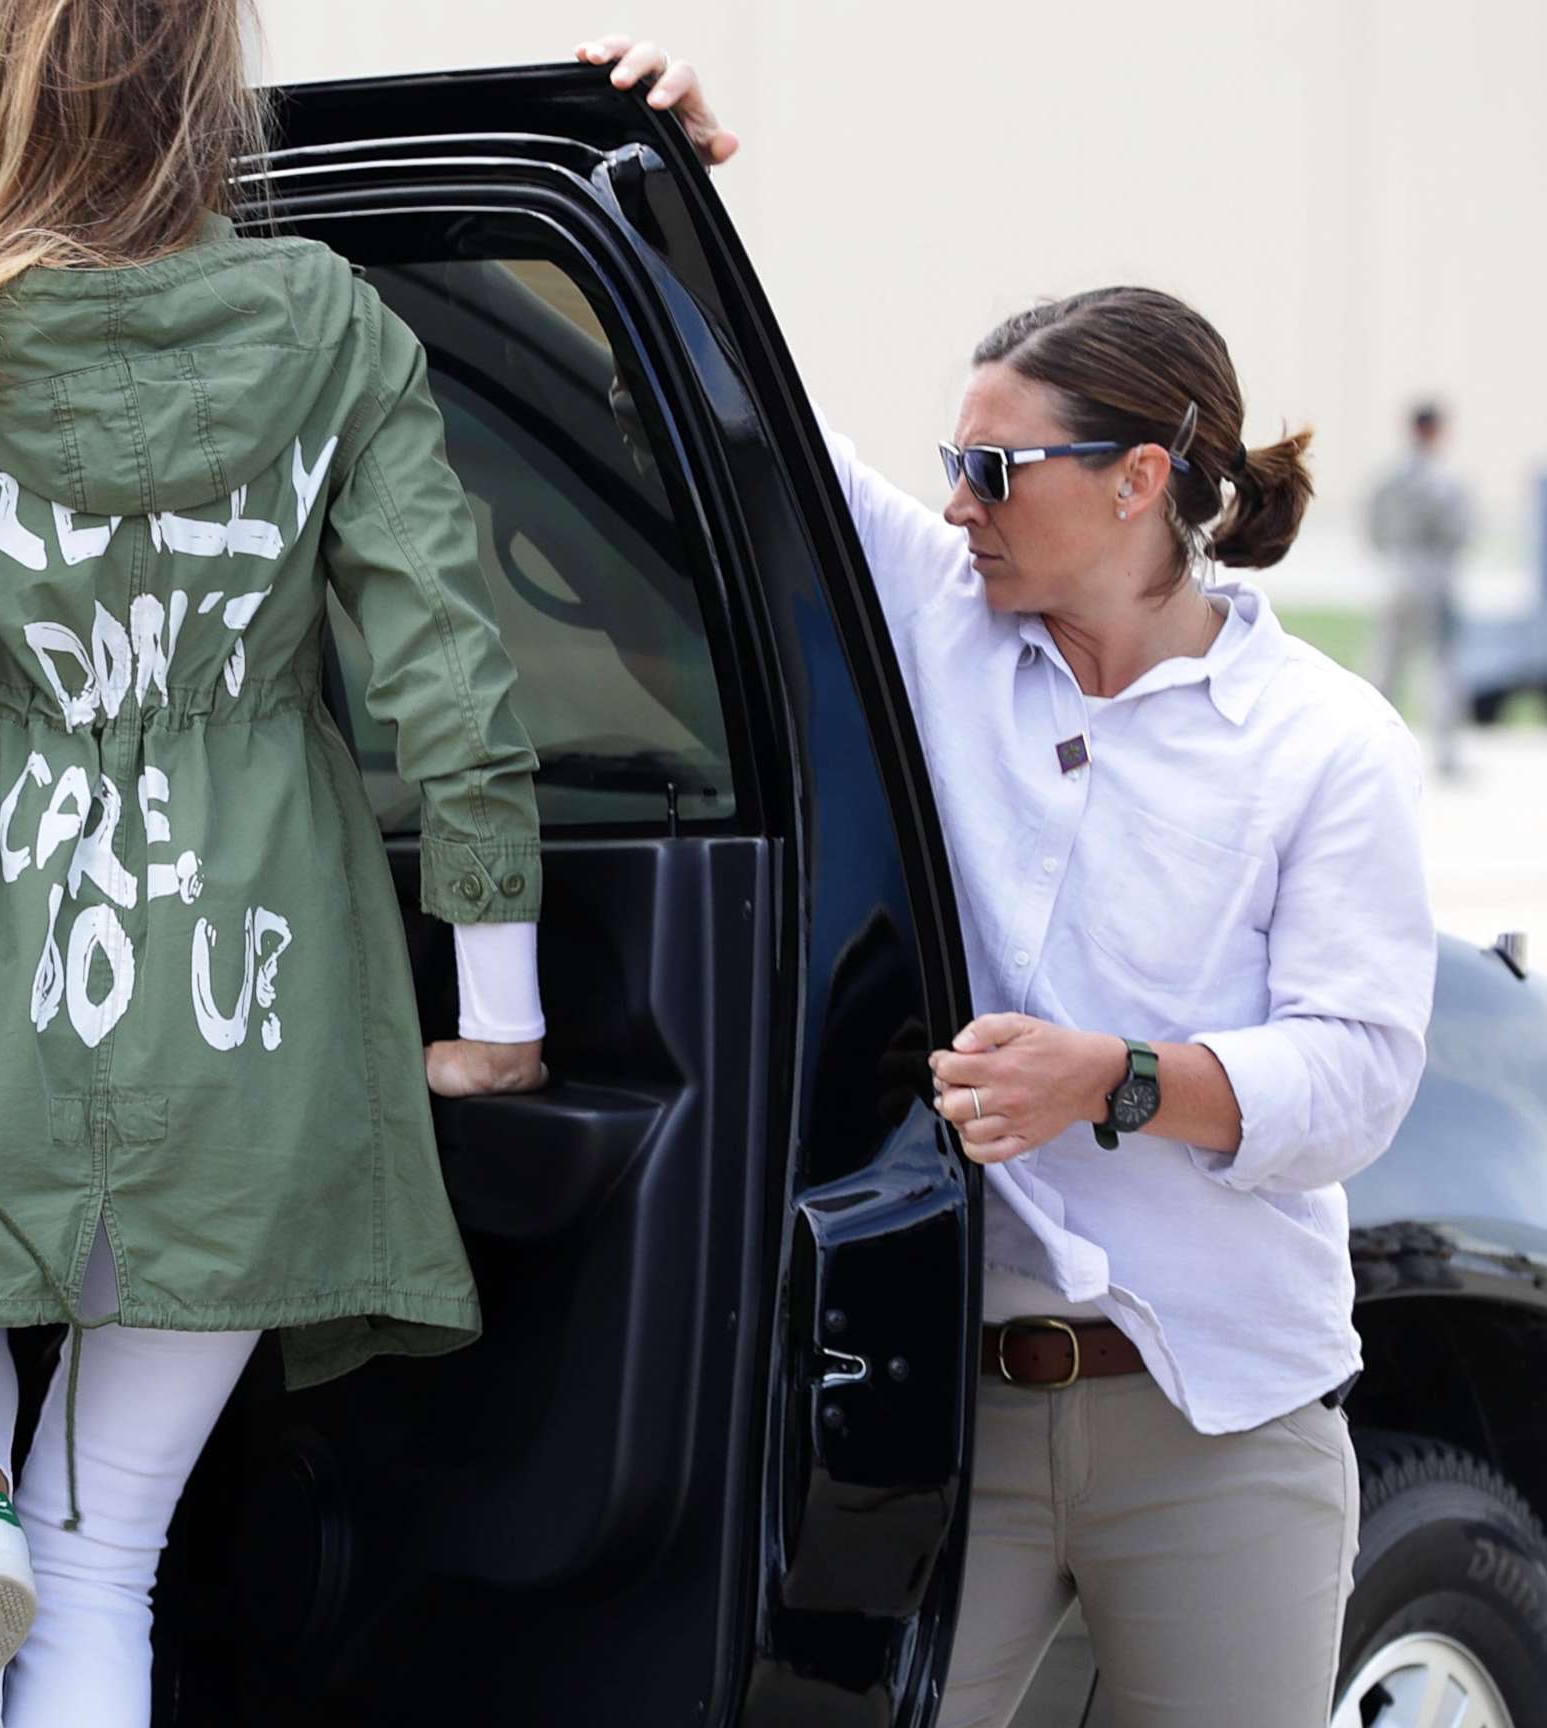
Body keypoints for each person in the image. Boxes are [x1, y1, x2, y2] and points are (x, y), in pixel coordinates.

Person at [579, 38, 1435, 1728]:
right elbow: (744, 443)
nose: (954, 499)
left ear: (1137, 483)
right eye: (951, 463)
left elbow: (1356, 1077)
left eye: (994, 469)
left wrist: (1104, 1076)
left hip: (1220, 1419)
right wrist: (655, 169)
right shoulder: (938, 612)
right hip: (944, 1414)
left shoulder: (1322, 742)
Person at [0, 4, 549, 1725]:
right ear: (206, 95)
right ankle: (2, 1521)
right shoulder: (334, 323)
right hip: (250, 976)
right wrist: (495, 999)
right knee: (108, 1548)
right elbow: (450, 681)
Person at [1368, 401, 1476, 776]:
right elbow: (1461, 532)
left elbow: (1373, 526)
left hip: (1397, 573)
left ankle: (1374, 751)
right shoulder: (1444, 482)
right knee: (1442, 666)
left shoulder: (1389, 478)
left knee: (1386, 664)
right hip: (1433, 575)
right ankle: (1446, 756)